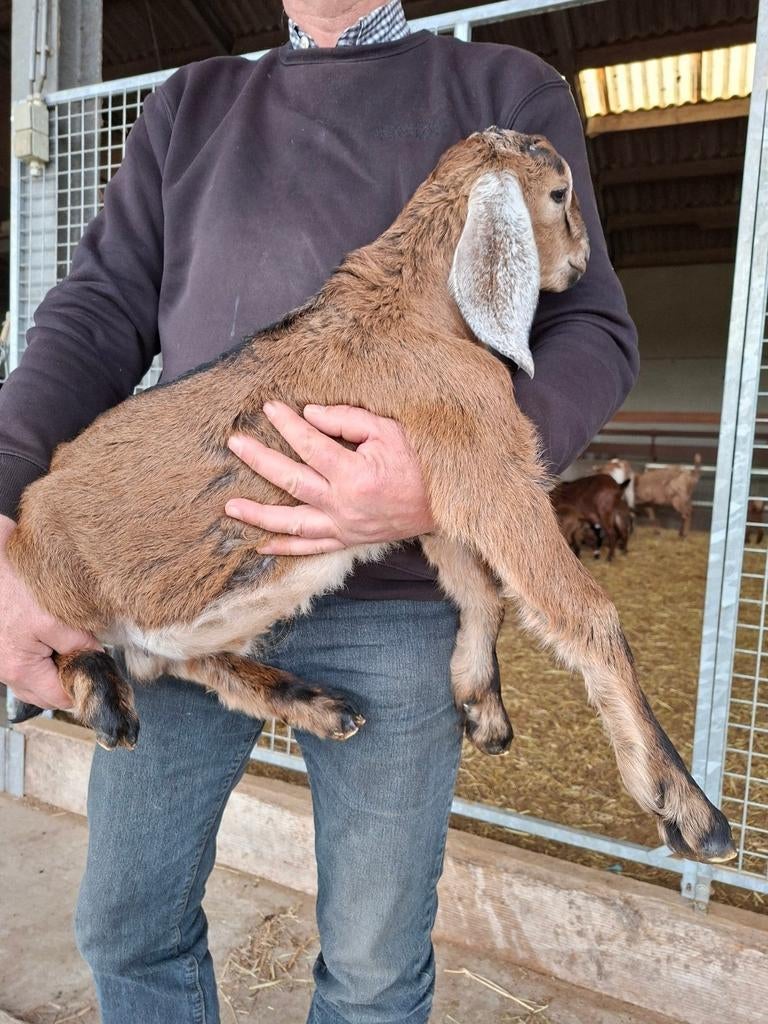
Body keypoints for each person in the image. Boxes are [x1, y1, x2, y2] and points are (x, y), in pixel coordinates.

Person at [0, 1, 638, 1021]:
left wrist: (440, 483)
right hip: (191, 568)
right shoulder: (192, 105)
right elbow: (98, 311)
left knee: (375, 963)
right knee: (127, 922)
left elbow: (592, 328)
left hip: (395, 592)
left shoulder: (502, 96)